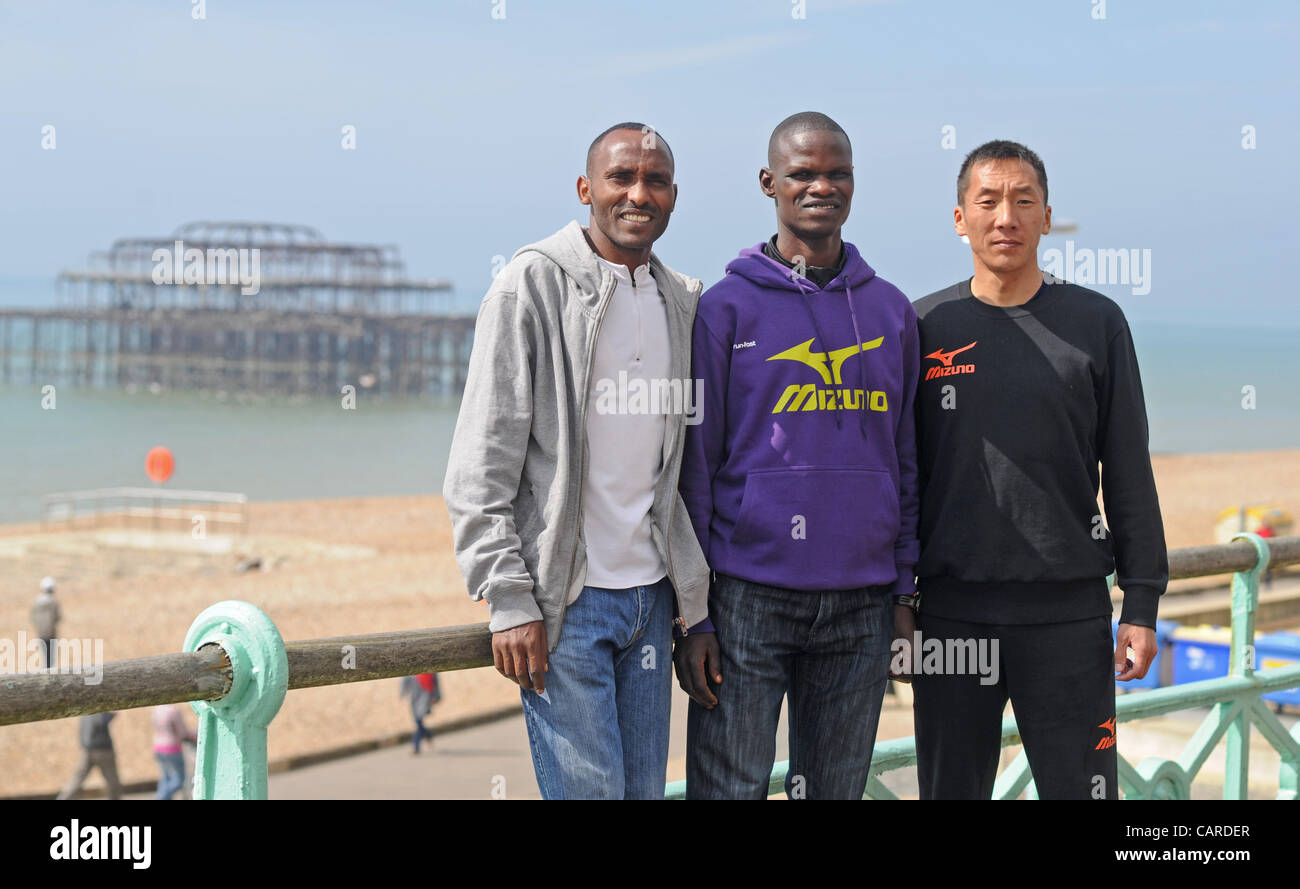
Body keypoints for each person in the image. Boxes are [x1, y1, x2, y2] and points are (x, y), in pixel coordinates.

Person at [443, 122, 710, 799]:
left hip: (651, 603)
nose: (637, 194)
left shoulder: (682, 298)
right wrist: (506, 597)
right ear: (586, 188)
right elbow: (480, 465)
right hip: (565, 604)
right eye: (621, 178)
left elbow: (675, 466)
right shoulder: (530, 286)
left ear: (674, 197)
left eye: (654, 181)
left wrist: (692, 603)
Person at [907, 140, 1168, 800]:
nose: (1006, 217)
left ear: (1047, 217)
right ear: (960, 218)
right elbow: (899, 474)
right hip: (952, 617)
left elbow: (1129, 466)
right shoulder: (923, 326)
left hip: (1070, 617)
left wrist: (1142, 599)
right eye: (987, 201)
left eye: (1024, 201)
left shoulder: (1096, 322)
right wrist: (895, 602)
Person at [676, 111, 919, 799]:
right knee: (730, 788)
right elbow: (697, 465)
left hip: (863, 602)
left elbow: (906, 462)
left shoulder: (893, 312)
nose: (822, 185)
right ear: (769, 183)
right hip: (749, 596)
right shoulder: (723, 310)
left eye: (837, 172)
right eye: (803, 172)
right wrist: (695, 613)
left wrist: (904, 590)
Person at [57, 711, 122, 800]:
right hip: (102, 750)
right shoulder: (97, 708)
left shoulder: (85, 710)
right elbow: (100, 722)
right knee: (112, 781)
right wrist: (111, 714)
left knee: (77, 779)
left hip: (88, 749)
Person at [152, 703, 197, 799]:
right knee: (179, 780)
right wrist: (193, 735)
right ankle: (161, 798)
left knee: (166, 778)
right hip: (172, 748)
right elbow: (182, 732)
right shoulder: (173, 710)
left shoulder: (157, 708)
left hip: (158, 747)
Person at [399, 673, 441, 754]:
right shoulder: (411, 668)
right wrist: (403, 693)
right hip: (414, 699)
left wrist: (436, 697)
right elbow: (405, 680)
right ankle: (428, 735)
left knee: (419, 721)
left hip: (426, 698)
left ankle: (416, 747)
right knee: (418, 721)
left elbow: (436, 683)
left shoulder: (431, 670)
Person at [31, 576, 60, 669]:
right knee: (50, 659)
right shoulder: (53, 602)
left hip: (41, 634)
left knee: (45, 657)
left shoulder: (37, 602)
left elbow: (32, 617)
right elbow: (58, 617)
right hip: (51, 634)